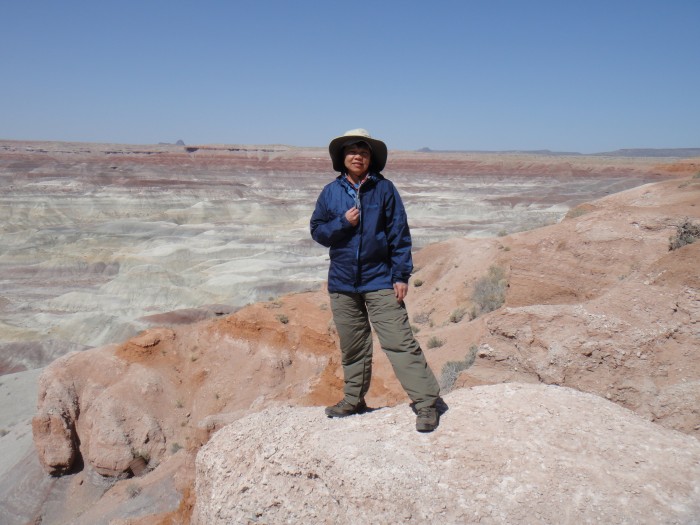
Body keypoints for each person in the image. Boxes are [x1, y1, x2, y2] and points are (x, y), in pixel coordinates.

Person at [310, 128, 441, 432]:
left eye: (364, 152)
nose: (358, 157)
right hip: (343, 283)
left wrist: (400, 275)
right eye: (353, 152)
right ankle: (353, 400)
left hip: (380, 279)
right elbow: (318, 231)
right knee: (353, 346)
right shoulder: (330, 192)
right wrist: (343, 223)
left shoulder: (384, 190)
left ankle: (426, 404)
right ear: (343, 158)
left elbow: (399, 233)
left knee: (400, 343)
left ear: (371, 159)